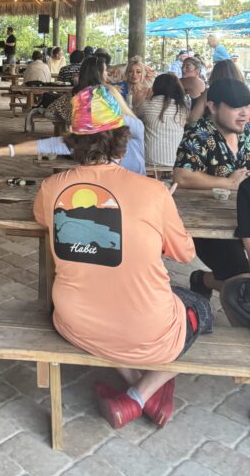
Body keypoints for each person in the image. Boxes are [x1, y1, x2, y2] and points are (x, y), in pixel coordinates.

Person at [33, 84, 212, 429]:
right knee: (200, 308)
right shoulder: (153, 192)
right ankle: (140, 395)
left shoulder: (52, 188)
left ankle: (137, 384)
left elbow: (44, 219)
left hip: (74, 322)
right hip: (148, 329)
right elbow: (185, 253)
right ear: (121, 137)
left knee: (95, 305)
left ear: (73, 139)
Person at [173, 79, 250, 298]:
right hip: (209, 225)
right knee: (241, 281)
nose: (244, 113)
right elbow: (182, 176)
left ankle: (204, 280)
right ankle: (202, 280)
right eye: (235, 106)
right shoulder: (199, 134)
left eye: (247, 106)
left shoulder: (247, 132)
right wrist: (228, 183)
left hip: (243, 218)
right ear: (213, 107)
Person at [0, 78, 146, 175]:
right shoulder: (90, 135)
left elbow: (120, 121)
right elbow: (48, 145)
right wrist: (4, 151)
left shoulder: (133, 126)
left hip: (135, 189)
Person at [138, 74, 188, 167]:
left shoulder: (147, 104)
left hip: (149, 161)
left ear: (155, 87)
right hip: (175, 162)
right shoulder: (182, 108)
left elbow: (135, 120)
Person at [188, 58, 244, 124]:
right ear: (237, 74)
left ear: (214, 75)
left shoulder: (208, 93)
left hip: (213, 129)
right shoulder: (244, 93)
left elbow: (193, 119)